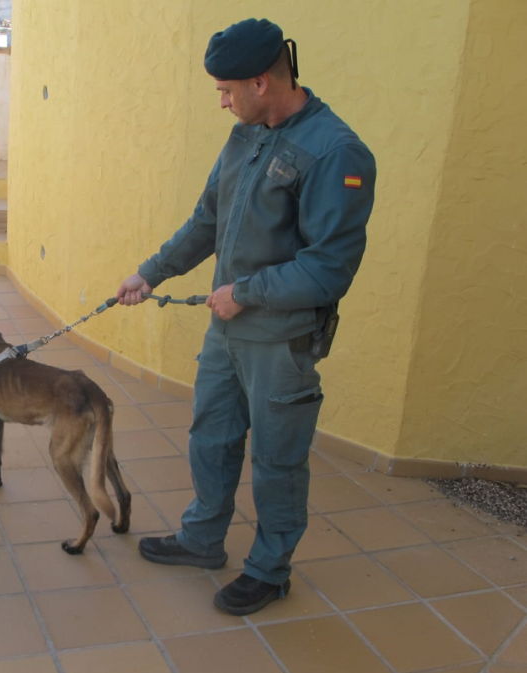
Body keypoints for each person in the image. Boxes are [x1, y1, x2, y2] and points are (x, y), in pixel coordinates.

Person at [115, 19, 376, 615]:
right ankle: (203, 538)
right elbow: (208, 219)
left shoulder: (337, 152)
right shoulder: (246, 135)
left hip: (280, 341)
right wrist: (152, 271)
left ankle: (270, 568)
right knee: (211, 437)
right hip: (226, 332)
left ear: (262, 81)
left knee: (277, 460)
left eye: (228, 91)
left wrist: (247, 292)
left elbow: (329, 267)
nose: (224, 102)